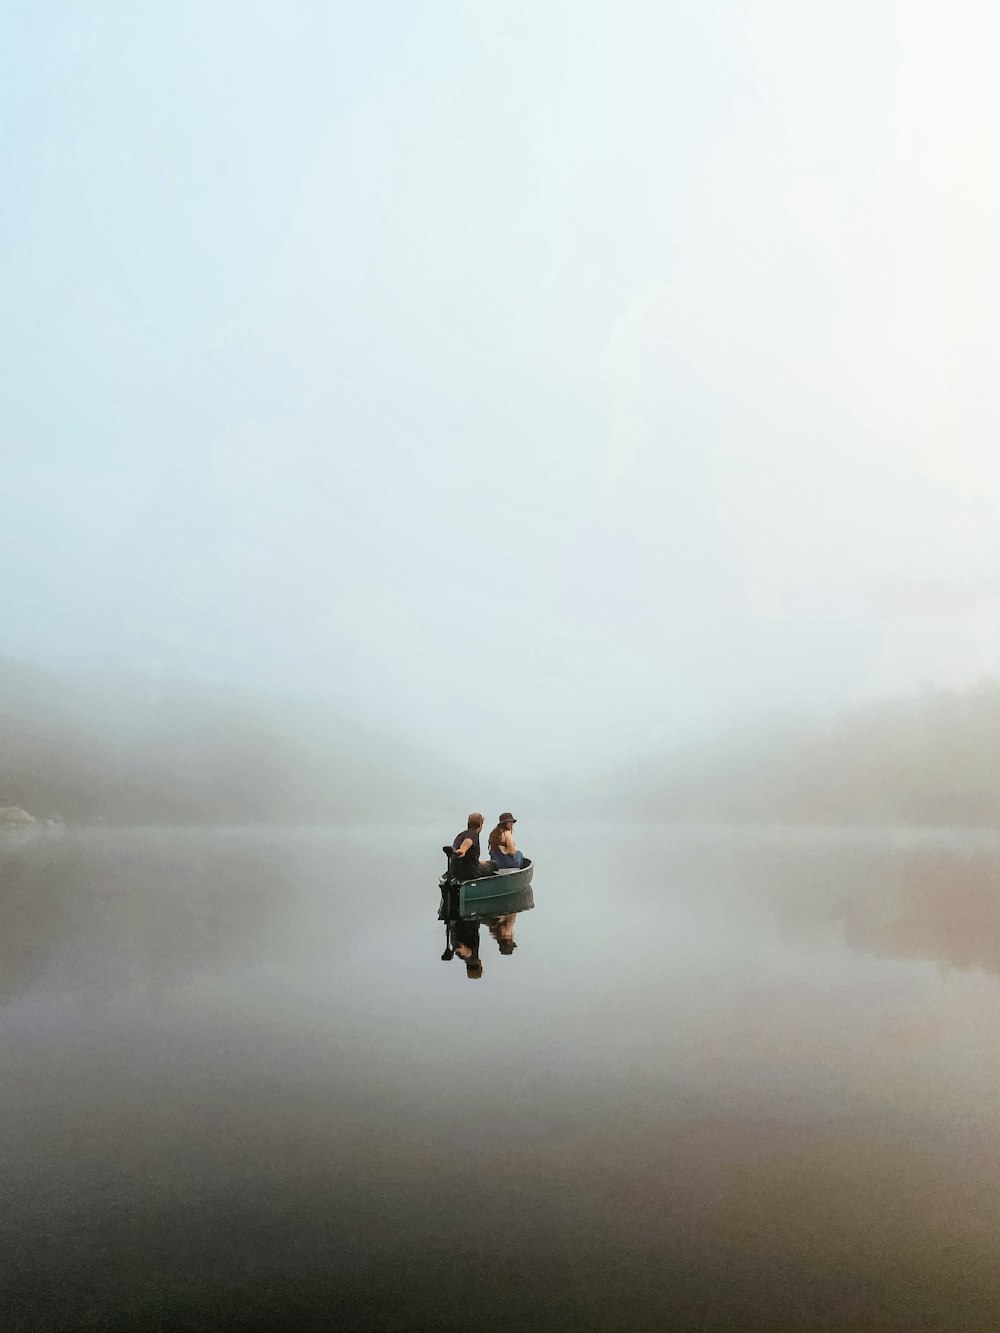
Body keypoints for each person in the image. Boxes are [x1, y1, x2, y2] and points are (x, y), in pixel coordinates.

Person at [448, 813, 495, 882]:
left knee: (484, 863)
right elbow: (468, 842)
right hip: (471, 873)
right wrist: (462, 850)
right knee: (494, 864)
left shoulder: (460, 835)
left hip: (455, 872)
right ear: (480, 824)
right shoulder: (473, 833)